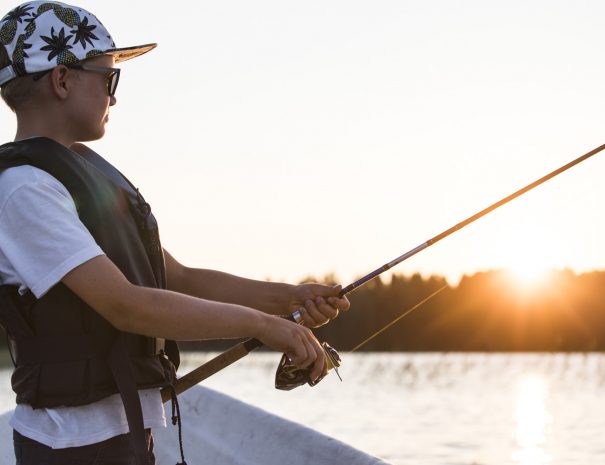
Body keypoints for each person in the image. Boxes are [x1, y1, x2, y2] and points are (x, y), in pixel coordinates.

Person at [0, 2, 350, 464]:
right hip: (68, 445)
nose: (115, 97)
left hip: (123, 432)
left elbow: (177, 278)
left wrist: (288, 298)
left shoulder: (82, 175)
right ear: (62, 80)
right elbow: (125, 306)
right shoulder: (24, 188)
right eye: (109, 80)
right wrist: (264, 327)